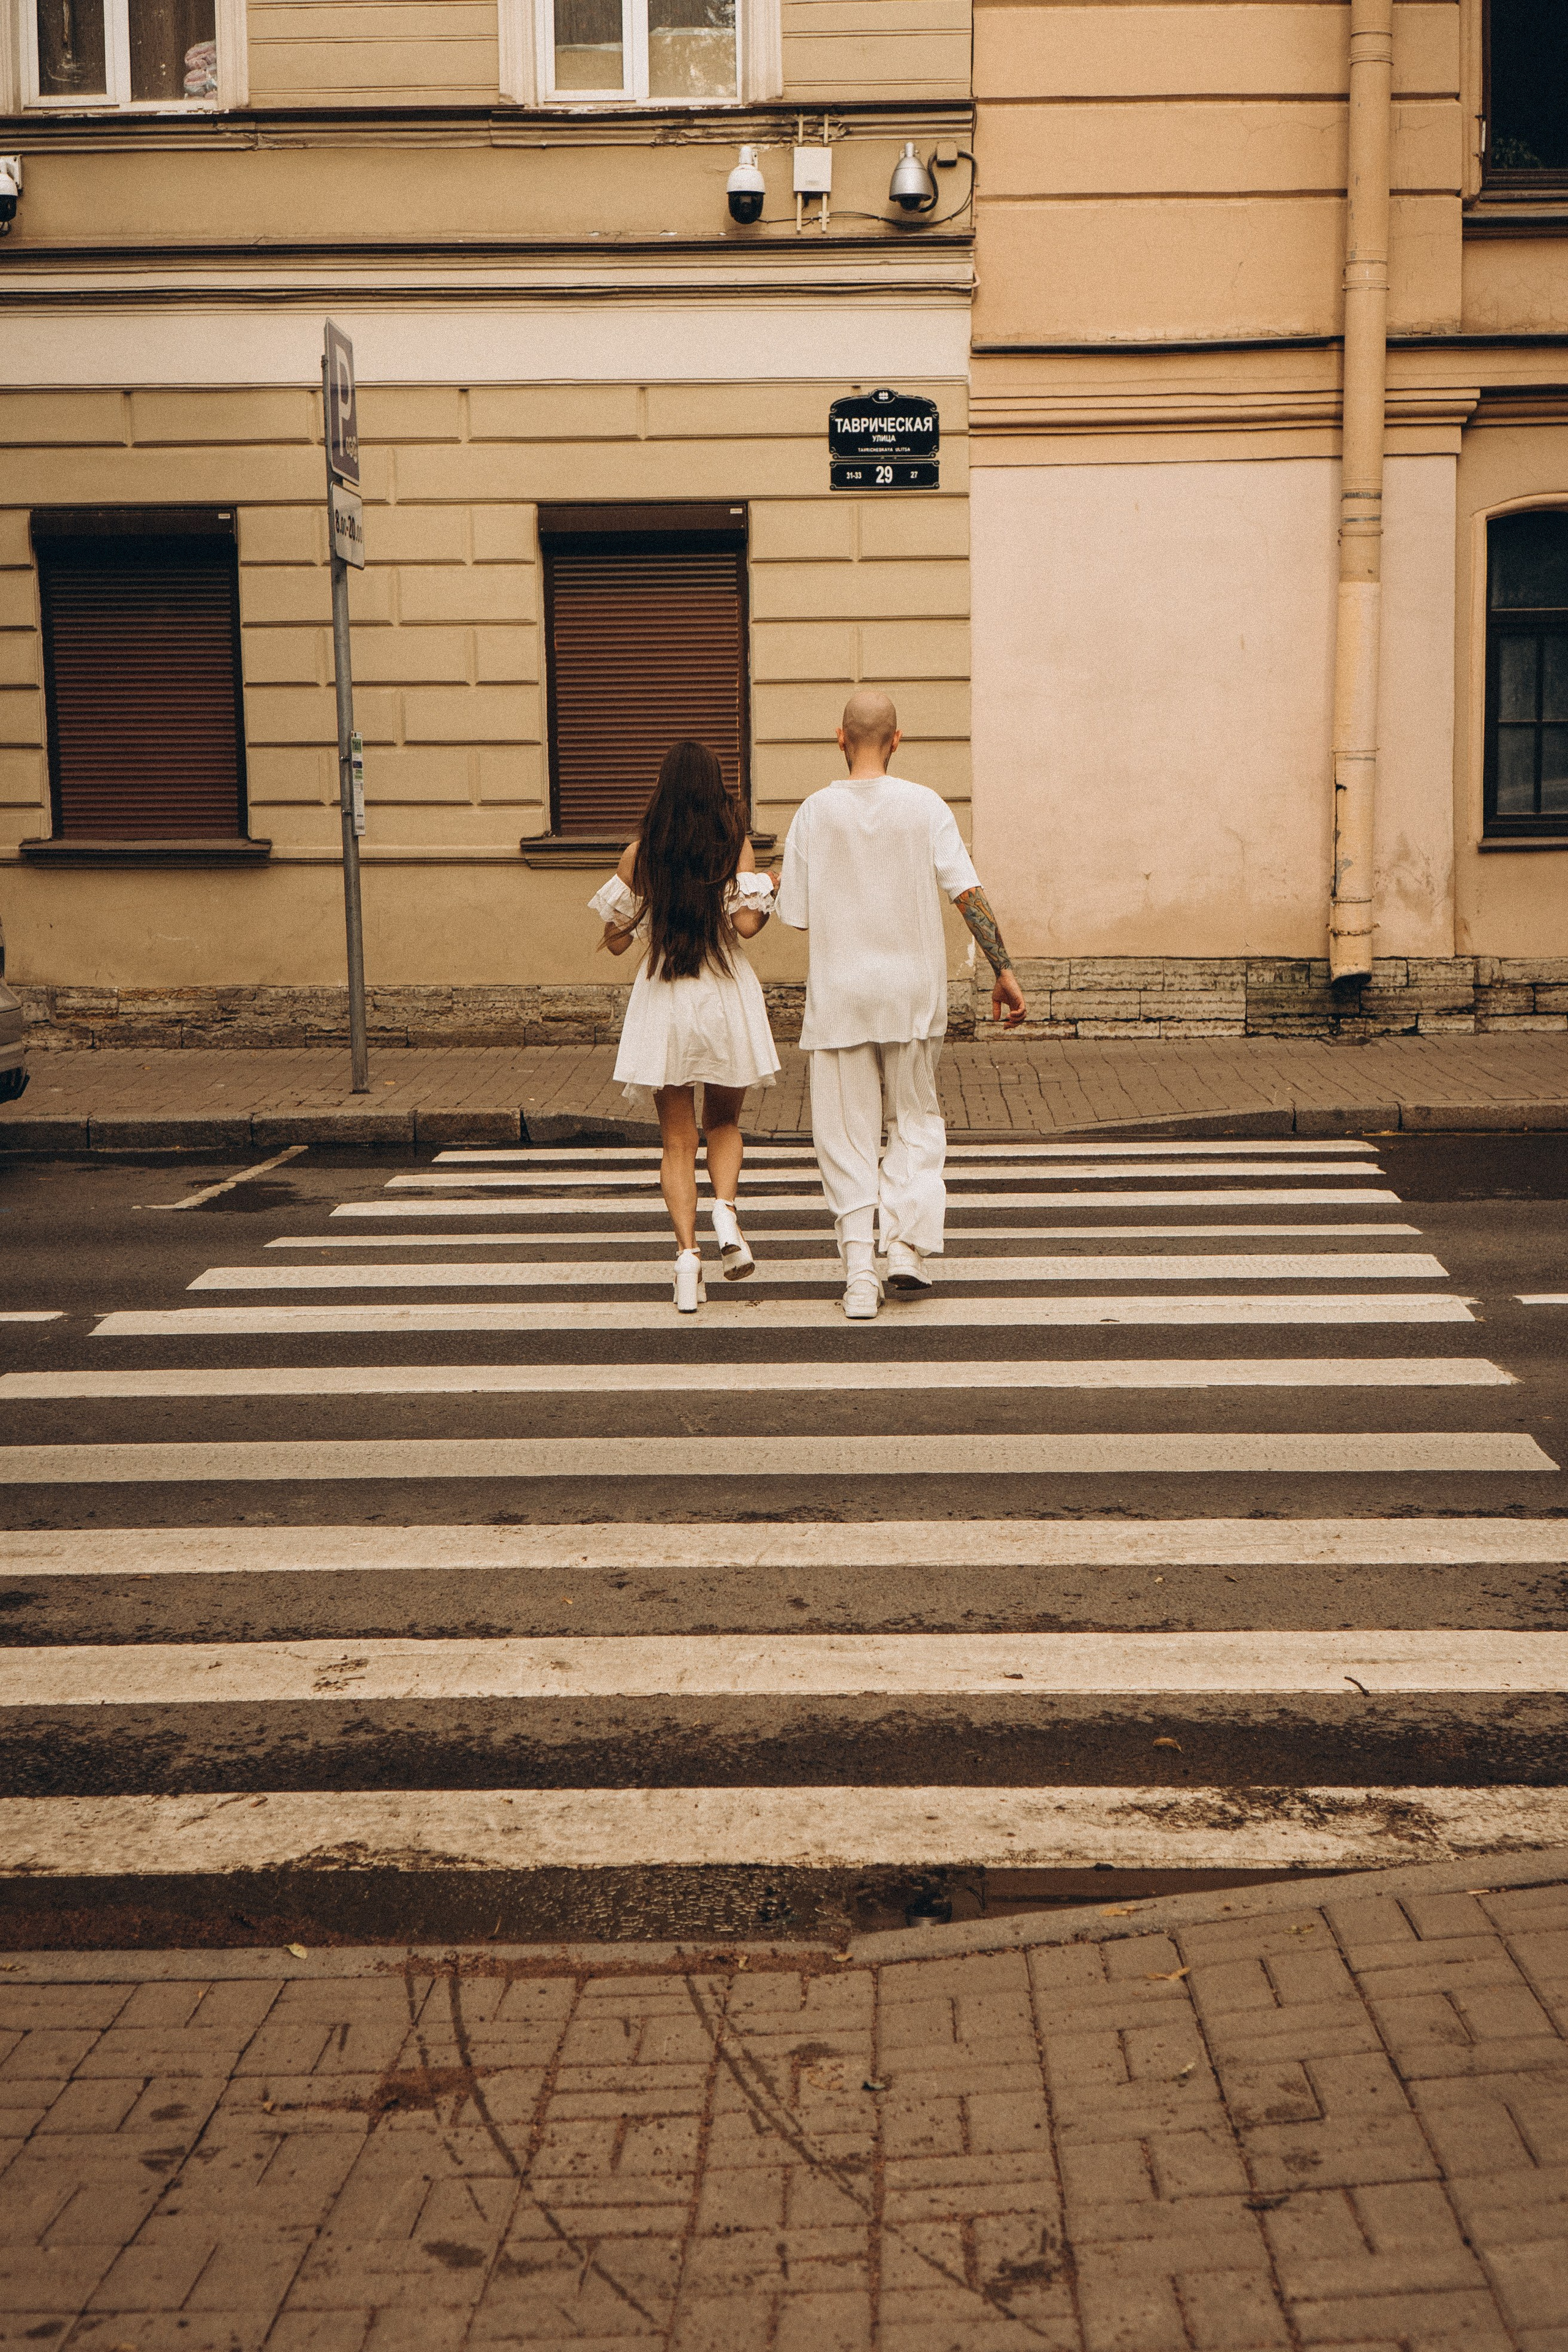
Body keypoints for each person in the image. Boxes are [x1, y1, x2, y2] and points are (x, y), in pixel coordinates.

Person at [775, 688, 1027, 1320]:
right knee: (913, 1121)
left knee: (846, 1135)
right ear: (897, 739)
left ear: (839, 737)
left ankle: (860, 1273)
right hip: (912, 991)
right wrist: (1004, 970)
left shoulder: (813, 812)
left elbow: (796, 918)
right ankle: (907, 1248)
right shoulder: (925, 806)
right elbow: (966, 892)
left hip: (840, 994)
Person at [589, 739, 779, 1314]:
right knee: (724, 1123)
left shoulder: (640, 854)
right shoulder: (733, 846)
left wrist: (640, 919)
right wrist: (768, 881)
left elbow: (618, 939)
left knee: (677, 1139)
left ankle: (687, 1259)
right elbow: (746, 926)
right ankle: (726, 1211)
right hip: (722, 995)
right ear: (715, 789)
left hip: (667, 998)